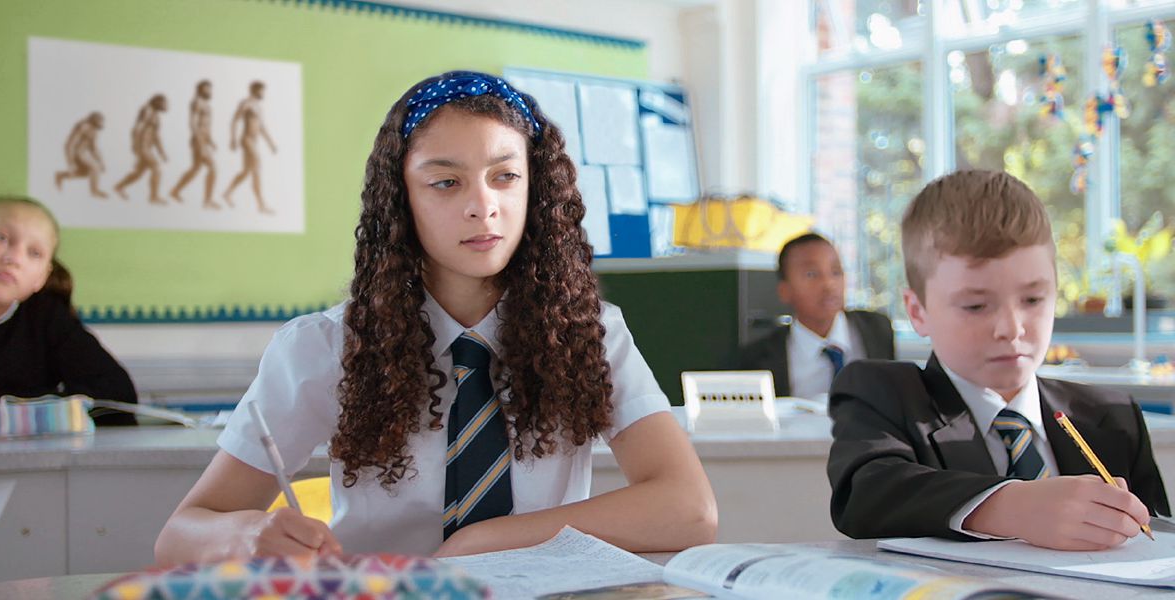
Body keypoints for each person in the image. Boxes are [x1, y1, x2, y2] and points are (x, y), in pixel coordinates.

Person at [154, 71, 717, 565]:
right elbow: (180, 534)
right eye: (446, 182)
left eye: (505, 176)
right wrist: (245, 534)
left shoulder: (590, 332)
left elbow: (688, 508)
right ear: (402, 200)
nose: (482, 205)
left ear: (536, 189)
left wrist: (485, 541)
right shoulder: (322, 346)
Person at [827, 170, 1169, 551]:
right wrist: (1015, 506)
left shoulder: (1113, 418)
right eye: (976, 306)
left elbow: (1156, 549)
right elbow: (867, 493)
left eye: (1033, 300)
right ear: (918, 311)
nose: (1011, 328)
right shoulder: (883, 395)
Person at [0, 195, 137, 425]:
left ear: (42, 277)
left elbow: (117, 392)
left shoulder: (47, 318)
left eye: (34, 252)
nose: (14, 258)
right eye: (0, 238)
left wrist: (18, 411)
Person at [738, 232, 894, 398]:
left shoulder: (877, 330)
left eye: (836, 271)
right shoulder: (757, 359)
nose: (828, 284)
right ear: (784, 291)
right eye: (811, 274)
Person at [223, 81, 277, 214]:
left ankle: (227, 193)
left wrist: (270, 143)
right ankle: (261, 205)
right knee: (257, 170)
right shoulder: (246, 103)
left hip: (254, 141)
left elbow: (261, 127)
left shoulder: (258, 106)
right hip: (247, 140)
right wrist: (232, 139)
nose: (263, 93)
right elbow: (234, 120)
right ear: (255, 90)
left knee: (246, 171)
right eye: (262, 90)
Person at [170, 80, 219, 208]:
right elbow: (193, 123)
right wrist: (200, 143)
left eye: (210, 89)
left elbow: (205, 125)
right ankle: (207, 201)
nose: (210, 91)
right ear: (200, 90)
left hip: (203, 140)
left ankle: (175, 191)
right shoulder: (197, 102)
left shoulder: (206, 104)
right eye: (207, 89)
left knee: (195, 168)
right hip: (199, 140)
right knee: (213, 168)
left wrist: (210, 141)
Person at [114, 94, 169, 204]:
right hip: (142, 147)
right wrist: (135, 145)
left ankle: (119, 187)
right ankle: (154, 197)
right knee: (156, 168)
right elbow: (137, 128)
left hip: (147, 147)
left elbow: (156, 136)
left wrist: (162, 152)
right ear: (157, 102)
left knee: (138, 173)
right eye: (164, 103)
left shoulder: (156, 115)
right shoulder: (148, 110)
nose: (166, 105)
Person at [54, 112, 108, 198]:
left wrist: (101, 162)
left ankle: (61, 175)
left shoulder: (94, 130)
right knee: (95, 168)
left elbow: (94, 148)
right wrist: (71, 163)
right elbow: (70, 145)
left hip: (83, 152)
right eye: (99, 122)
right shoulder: (83, 127)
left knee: (86, 173)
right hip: (76, 152)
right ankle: (95, 191)